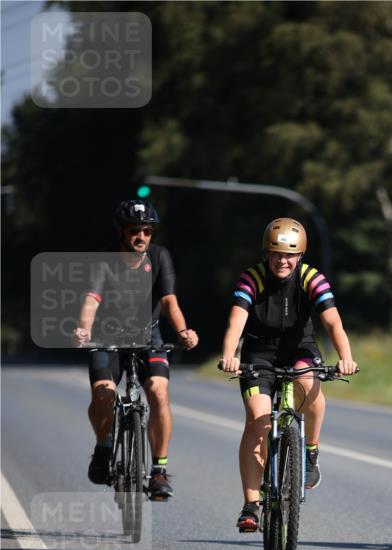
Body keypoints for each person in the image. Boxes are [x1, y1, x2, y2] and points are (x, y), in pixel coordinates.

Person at [219, 217, 357, 531]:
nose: (282, 260)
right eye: (276, 254)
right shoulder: (251, 278)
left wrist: (346, 357)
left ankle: (310, 452)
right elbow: (236, 321)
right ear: (266, 254)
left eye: (290, 255)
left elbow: (333, 323)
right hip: (259, 353)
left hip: (300, 348)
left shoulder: (312, 278)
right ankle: (251, 504)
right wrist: (230, 354)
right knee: (258, 421)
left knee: (308, 382)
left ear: (300, 256)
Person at [73, 199, 198, 500]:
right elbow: (91, 300)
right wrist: (84, 328)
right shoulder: (104, 261)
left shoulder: (159, 257)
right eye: (134, 231)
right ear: (121, 231)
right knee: (104, 393)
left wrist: (183, 331)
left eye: (147, 231)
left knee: (158, 390)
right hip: (107, 338)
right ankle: (104, 447)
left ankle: (158, 469)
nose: (141, 236)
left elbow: (169, 301)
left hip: (148, 338)